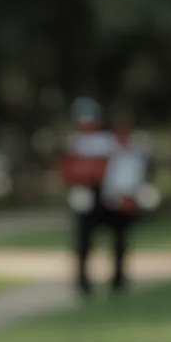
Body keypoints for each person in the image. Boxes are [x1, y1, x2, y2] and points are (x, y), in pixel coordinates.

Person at [60, 98, 140, 296]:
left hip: (113, 195)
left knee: (119, 240)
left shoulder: (114, 141)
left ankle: (118, 281)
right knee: (84, 242)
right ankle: (83, 282)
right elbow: (70, 171)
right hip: (89, 195)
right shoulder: (75, 142)